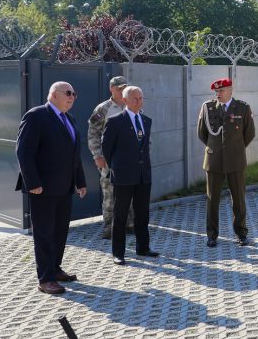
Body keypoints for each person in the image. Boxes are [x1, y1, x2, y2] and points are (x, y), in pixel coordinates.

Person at [15, 81, 87, 295]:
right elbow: (24, 152)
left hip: (64, 187)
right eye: (68, 93)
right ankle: (45, 279)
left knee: (59, 232)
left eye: (74, 93)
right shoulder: (36, 116)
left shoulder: (69, 118)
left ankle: (55, 269)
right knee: (44, 234)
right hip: (43, 188)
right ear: (53, 94)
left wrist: (80, 181)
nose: (72, 97)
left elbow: (74, 154)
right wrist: (33, 182)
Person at [101, 86, 158, 265]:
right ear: (125, 101)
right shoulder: (115, 121)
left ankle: (143, 248)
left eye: (141, 98)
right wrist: (117, 168)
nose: (139, 102)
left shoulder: (146, 120)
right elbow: (106, 149)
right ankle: (118, 252)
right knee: (121, 214)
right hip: (124, 175)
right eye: (135, 99)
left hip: (143, 174)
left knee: (142, 213)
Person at [197, 78, 255, 247]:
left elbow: (249, 133)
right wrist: (216, 148)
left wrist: (235, 148)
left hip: (235, 159)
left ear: (230, 90)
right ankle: (212, 235)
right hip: (214, 160)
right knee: (212, 199)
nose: (218, 94)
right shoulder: (208, 108)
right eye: (216, 92)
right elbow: (202, 133)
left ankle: (241, 233)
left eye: (221, 91)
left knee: (238, 199)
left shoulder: (243, 108)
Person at [88, 75, 134, 239]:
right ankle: (109, 228)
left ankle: (129, 225)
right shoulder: (103, 109)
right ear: (111, 89)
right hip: (110, 159)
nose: (121, 90)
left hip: (129, 159)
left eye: (124, 87)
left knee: (129, 191)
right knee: (109, 193)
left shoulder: (132, 104)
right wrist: (97, 156)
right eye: (118, 88)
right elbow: (92, 132)